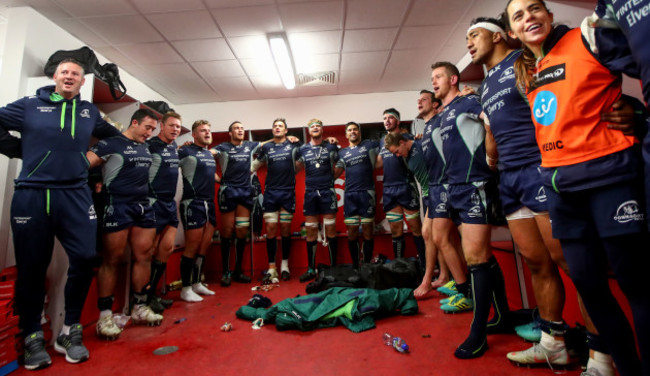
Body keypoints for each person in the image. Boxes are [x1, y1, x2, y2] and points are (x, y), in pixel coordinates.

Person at [467, 16, 624, 373]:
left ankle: (602, 356)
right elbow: (492, 130)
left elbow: (560, 102)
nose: (469, 42)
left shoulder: (523, 62)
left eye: (474, 34)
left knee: (572, 262)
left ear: (497, 35)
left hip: (541, 170)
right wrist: (492, 156)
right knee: (536, 261)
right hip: (509, 179)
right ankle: (553, 343)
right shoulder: (486, 84)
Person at [505, 1, 650, 375]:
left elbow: (642, 62)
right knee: (591, 288)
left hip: (610, 180)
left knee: (638, 288)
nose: (529, 18)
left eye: (535, 9)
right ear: (513, 32)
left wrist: (637, 111)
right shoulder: (530, 71)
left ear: (550, 16)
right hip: (562, 191)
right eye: (518, 16)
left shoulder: (587, 39)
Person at [0, 58, 121, 369]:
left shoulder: (89, 111)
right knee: (32, 268)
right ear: (55, 77)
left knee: (84, 258)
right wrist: (20, 150)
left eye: (76, 74)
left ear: (82, 83)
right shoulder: (28, 105)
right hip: (32, 193)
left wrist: (92, 157)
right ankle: (31, 336)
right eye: (64, 72)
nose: (69, 77)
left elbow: (114, 137)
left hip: (75, 194)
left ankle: (70, 329)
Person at [430, 60, 509, 359]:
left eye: (438, 77)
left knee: (475, 259)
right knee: (482, 256)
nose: (434, 81)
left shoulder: (468, 101)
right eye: (432, 78)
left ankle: (478, 334)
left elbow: (492, 122)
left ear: (453, 78)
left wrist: (491, 157)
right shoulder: (445, 112)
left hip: (476, 184)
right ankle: (502, 316)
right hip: (455, 188)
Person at [88, 108, 162, 340]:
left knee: (145, 255)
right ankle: (105, 316)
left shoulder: (145, 147)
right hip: (116, 205)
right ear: (134, 123)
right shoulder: (111, 143)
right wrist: (96, 182)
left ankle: (140, 307)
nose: (149, 133)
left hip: (142, 206)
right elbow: (83, 164)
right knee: (113, 258)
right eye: (147, 128)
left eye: (153, 129)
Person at [212, 121, 261, 286]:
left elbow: (268, 143)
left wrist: (288, 138)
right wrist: (218, 179)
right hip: (228, 191)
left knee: (241, 231)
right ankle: (225, 271)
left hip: (245, 191)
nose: (240, 130)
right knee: (227, 230)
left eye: (242, 128)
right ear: (230, 133)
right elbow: (205, 156)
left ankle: (238, 270)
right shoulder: (223, 147)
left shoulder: (249, 145)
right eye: (236, 128)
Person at [251, 118, 300, 283]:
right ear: (272, 130)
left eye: (280, 126)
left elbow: (302, 163)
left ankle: (284, 266)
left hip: (287, 192)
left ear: (286, 131)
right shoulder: (268, 147)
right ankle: (272, 269)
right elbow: (254, 165)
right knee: (271, 228)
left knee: (285, 229)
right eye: (275, 126)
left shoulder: (294, 146)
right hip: (271, 193)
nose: (277, 128)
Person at [375, 109, 425, 261]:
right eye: (384, 118)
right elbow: (378, 164)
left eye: (391, 117)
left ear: (398, 120)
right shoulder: (382, 141)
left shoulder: (408, 138)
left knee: (416, 229)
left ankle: (425, 263)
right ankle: (399, 265)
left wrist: (420, 139)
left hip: (406, 187)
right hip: (389, 189)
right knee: (396, 231)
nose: (387, 120)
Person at [178, 120, 218, 301]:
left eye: (209, 130)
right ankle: (185, 288)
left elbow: (212, 176)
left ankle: (196, 283)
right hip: (192, 203)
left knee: (203, 247)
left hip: (209, 203)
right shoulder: (185, 151)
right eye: (203, 131)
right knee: (192, 247)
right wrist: (179, 146)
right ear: (194, 134)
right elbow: (167, 164)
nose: (207, 133)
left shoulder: (209, 154)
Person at [295, 119, 340, 282]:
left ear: (322, 130)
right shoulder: (303, 149)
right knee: (311, 231)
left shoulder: (331, 146)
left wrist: (331, 178)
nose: (315, 128)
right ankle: (310, 269)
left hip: (327, 192)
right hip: (310, 193)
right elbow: (295, 168)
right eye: (312, 126)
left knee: (331, 230)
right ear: (308, 131)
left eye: (318, 126)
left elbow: (341, 162)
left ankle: (334, 267)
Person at [146, 112, 182, 312]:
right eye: (172, 125)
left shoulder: (174, 146)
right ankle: (143, 298)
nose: (175, 129)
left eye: (178, 126)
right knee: (148, 251)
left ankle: (153, 295)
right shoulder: (151, 146)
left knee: (165, 249)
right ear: (162, 125)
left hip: (169, 204)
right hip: (153, 202)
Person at [334, 122, 379, 269]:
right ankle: (355, 266)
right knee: (352, 232)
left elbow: (388, 143)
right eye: (350, 130)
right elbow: (336, 174)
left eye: (355, 129)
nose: (353, 132)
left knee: (367, 231)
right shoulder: (341, 153)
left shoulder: (369, 145)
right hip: (350, 195)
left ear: (359, 133)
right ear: (346, 134)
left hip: (367, 193)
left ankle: (366, 266)